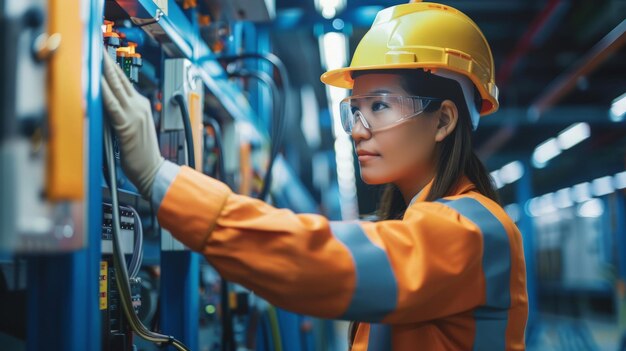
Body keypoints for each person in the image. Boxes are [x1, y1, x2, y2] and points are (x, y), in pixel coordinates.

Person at [101, 1, 528, 350]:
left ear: (443, 120)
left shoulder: (472, 233)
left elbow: (318, 260)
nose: (358, 129)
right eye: (355, 110)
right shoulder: (416, 223)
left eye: (379, 106)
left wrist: (161, 178)